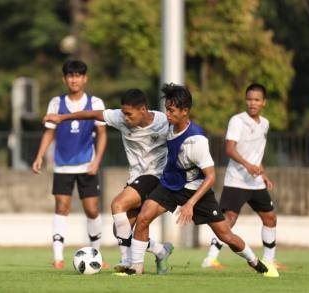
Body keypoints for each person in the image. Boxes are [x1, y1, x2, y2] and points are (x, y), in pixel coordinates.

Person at [127, 83, 275, 277]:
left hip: (196, 190)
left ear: (185, 111)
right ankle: (135, 269)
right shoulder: (168, 126)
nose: (167, 114)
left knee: (226, 235)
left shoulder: (196, 140)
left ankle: (255, 261)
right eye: (167, 109)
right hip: (170, 185)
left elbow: (211, 176)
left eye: (171, 110)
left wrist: (190, 203)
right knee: (144, 216)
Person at [44, 88, 173, 275]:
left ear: (143, 110)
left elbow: (182, 135)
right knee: (121, 229)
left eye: (129, 114)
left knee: (118, 205)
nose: (126, 118)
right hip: (136, 178)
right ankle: (161, 251)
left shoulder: (163, 121)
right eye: (123, 113)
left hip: (156, 176)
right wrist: (62, 118)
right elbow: (92, 114)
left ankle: (127, 261)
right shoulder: (120, 117)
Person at [32, 60, 107, 269]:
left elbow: (102, 135)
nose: (74, 79)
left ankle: (97, 254)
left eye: (78, 75)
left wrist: (97, 161)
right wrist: (39, 156)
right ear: (65, 79)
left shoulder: (96, 103)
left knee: (92, 210)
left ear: (85, 78)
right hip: (62, 165)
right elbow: (49, 131)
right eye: (70, 75)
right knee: (61, 206)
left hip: (87, 165)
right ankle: (58, 257)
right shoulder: (56, 103)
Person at [201, 83, 279, 276]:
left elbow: (257, 154)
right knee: (229, 220)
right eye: (249, 99)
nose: (252, 103)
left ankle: (269, 261)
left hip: (255, 181)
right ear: (245, 100)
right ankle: (210, 259)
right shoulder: (237, 121)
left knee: (270, 217)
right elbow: (229, 149)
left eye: (257, 100)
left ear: (263, 103)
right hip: (236, 180)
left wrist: (262, 173)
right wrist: (247, 165)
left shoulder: (266, 124)